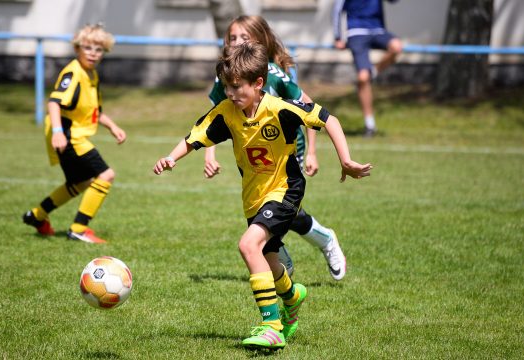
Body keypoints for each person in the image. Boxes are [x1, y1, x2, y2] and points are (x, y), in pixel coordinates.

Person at [153, 42, 372, 350]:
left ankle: (271, 325)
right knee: (269, 260)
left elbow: (328, 119)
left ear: (258, 84)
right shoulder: (227, 112)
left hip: (285, 189)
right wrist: (171, 157)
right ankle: (293, 297)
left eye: (236, 87)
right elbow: (195, 135)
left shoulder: (279, 108)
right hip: (253, 197)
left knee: (248, 245)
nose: (230, 94)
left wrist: (346, 160)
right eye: (227, 87)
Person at [206, 15, 347, 281]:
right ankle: (296, 248)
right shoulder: (225, 76)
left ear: (259, 41)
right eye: (232, 37)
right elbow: (214, 118)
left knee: (279, 207)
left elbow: (309, 109)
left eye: (244, 38)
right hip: (254, 155)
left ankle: (297, 251)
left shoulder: (273, 73)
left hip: (287, 150)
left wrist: (313, 152)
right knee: (275, 209)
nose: (237, 42)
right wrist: (209, 154)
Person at [22, 24, 126, 244]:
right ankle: (79, 229)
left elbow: (95, 110)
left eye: (98, 49)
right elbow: (54, 103)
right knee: (106, 175)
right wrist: (58, 132)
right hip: (68, 135)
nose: (92, 53)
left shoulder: (91, 75)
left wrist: (112, 126)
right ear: (77, 49)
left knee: (79, 182)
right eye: (87, 47)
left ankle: (37, 215)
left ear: (104, 52)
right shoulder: (73, 72)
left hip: (73, 134)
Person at [333, 0, 402, 137]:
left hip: (377, 30)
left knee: (396, 46)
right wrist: (338, 37)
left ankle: (374, 70)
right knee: (363, 78)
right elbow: (337, 10)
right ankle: (370, 125)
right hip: (356, 32)